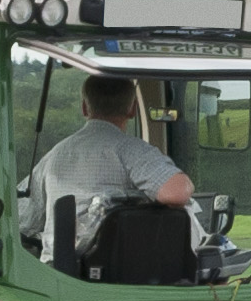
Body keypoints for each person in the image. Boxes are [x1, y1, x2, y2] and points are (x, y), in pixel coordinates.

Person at [27, 75, 196, 262]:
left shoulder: (53, 155)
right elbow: (177, 193)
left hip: (56, 273)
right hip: (115, 274)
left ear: (85, 107)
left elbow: (26, 216)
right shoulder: (131, 150)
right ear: (132, 110)